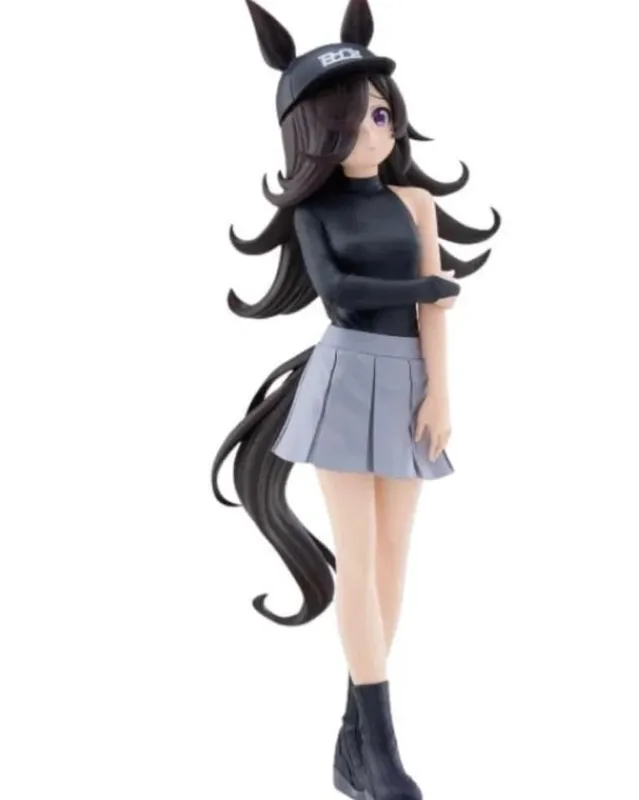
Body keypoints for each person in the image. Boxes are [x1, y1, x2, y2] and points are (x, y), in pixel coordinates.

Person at [211, 1, 501, 797]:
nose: (377, 130)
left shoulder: (414, 203)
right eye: (354, 120)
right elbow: (338, 290)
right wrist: (425, 287)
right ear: (315, 133)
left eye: (381, 113)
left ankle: (355, 746)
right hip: (344, 379)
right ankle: (381, 753)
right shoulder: (313, 210)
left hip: (408, 380)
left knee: (394, 561)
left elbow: (436, 314)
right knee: (360, 561)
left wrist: (441, 393)